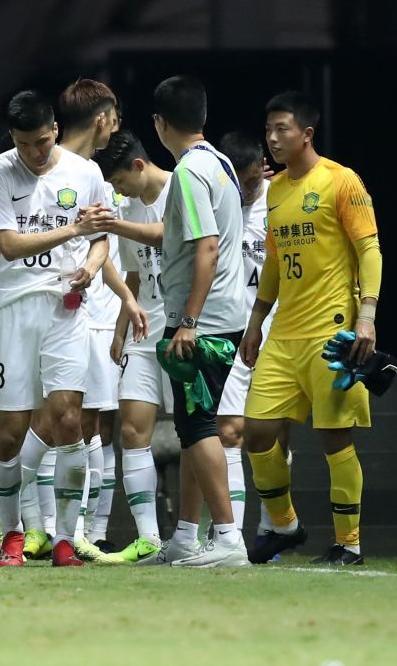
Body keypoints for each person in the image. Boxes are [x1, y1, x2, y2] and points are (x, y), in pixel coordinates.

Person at [239, 91, 382, 567]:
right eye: (268, 130)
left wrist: (368, 314)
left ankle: (349, 544)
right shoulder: (275, 190)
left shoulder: (342, 181)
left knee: (333, 439)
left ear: (306, 134)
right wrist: (255, 323)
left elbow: (370, 250)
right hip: (283, 331)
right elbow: (276, 261)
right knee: (257, 430)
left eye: (282, 129)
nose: (273, 138)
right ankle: (284, 525)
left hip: (333, 329)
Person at [0, 90, 115, 568]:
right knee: (11, 433)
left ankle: (63, 538)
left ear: (55, 129)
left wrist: (91, 267)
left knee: (69, 422)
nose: (33, 153)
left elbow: (102, 238)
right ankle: (10, 529)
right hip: (14, 311)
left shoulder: (87, 173)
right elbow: (11, 246)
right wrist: (73, 234)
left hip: (66, 310)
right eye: (22, 144)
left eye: (40, 142)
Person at [140, 76, 250, 568]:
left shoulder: (187, 173)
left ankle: (227, 538)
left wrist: (188, 320)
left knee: (200, 424)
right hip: (225, 313)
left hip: (201, 322)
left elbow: (206, 247)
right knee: (190, 427)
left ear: (160, 123)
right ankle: (186, 536)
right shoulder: (220, 163)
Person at [51, 78, 142, 564]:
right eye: (116, 117)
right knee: (55, 423)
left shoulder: (95, 175)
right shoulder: (48, 166)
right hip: (48, 309)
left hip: (91, 310)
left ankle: (85, 530)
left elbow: (99, 244)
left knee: (91, 426)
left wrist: (122, 296)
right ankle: (37, 526)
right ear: (104, 117)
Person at [94, 128, 172, 563]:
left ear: (139, 165)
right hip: (145, 327)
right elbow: (136, 275)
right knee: (131, 429)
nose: (118, 191)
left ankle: (204, 534)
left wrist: (112, 222)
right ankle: (149, 538)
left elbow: (166, 235)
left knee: (198, 432)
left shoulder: (181, 187)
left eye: (120, 181)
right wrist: (120, 328)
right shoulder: (126, 209)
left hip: (185, 326)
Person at [208, 130, 279, 546]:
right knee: (229, 430)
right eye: (242, 182)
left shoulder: (280, 197)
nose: (249, 190)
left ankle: (273, 529)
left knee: (271, 433)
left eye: (255, 180)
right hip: (231, 327)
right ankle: (230, 536)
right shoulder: (214, 201)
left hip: (277, 326)